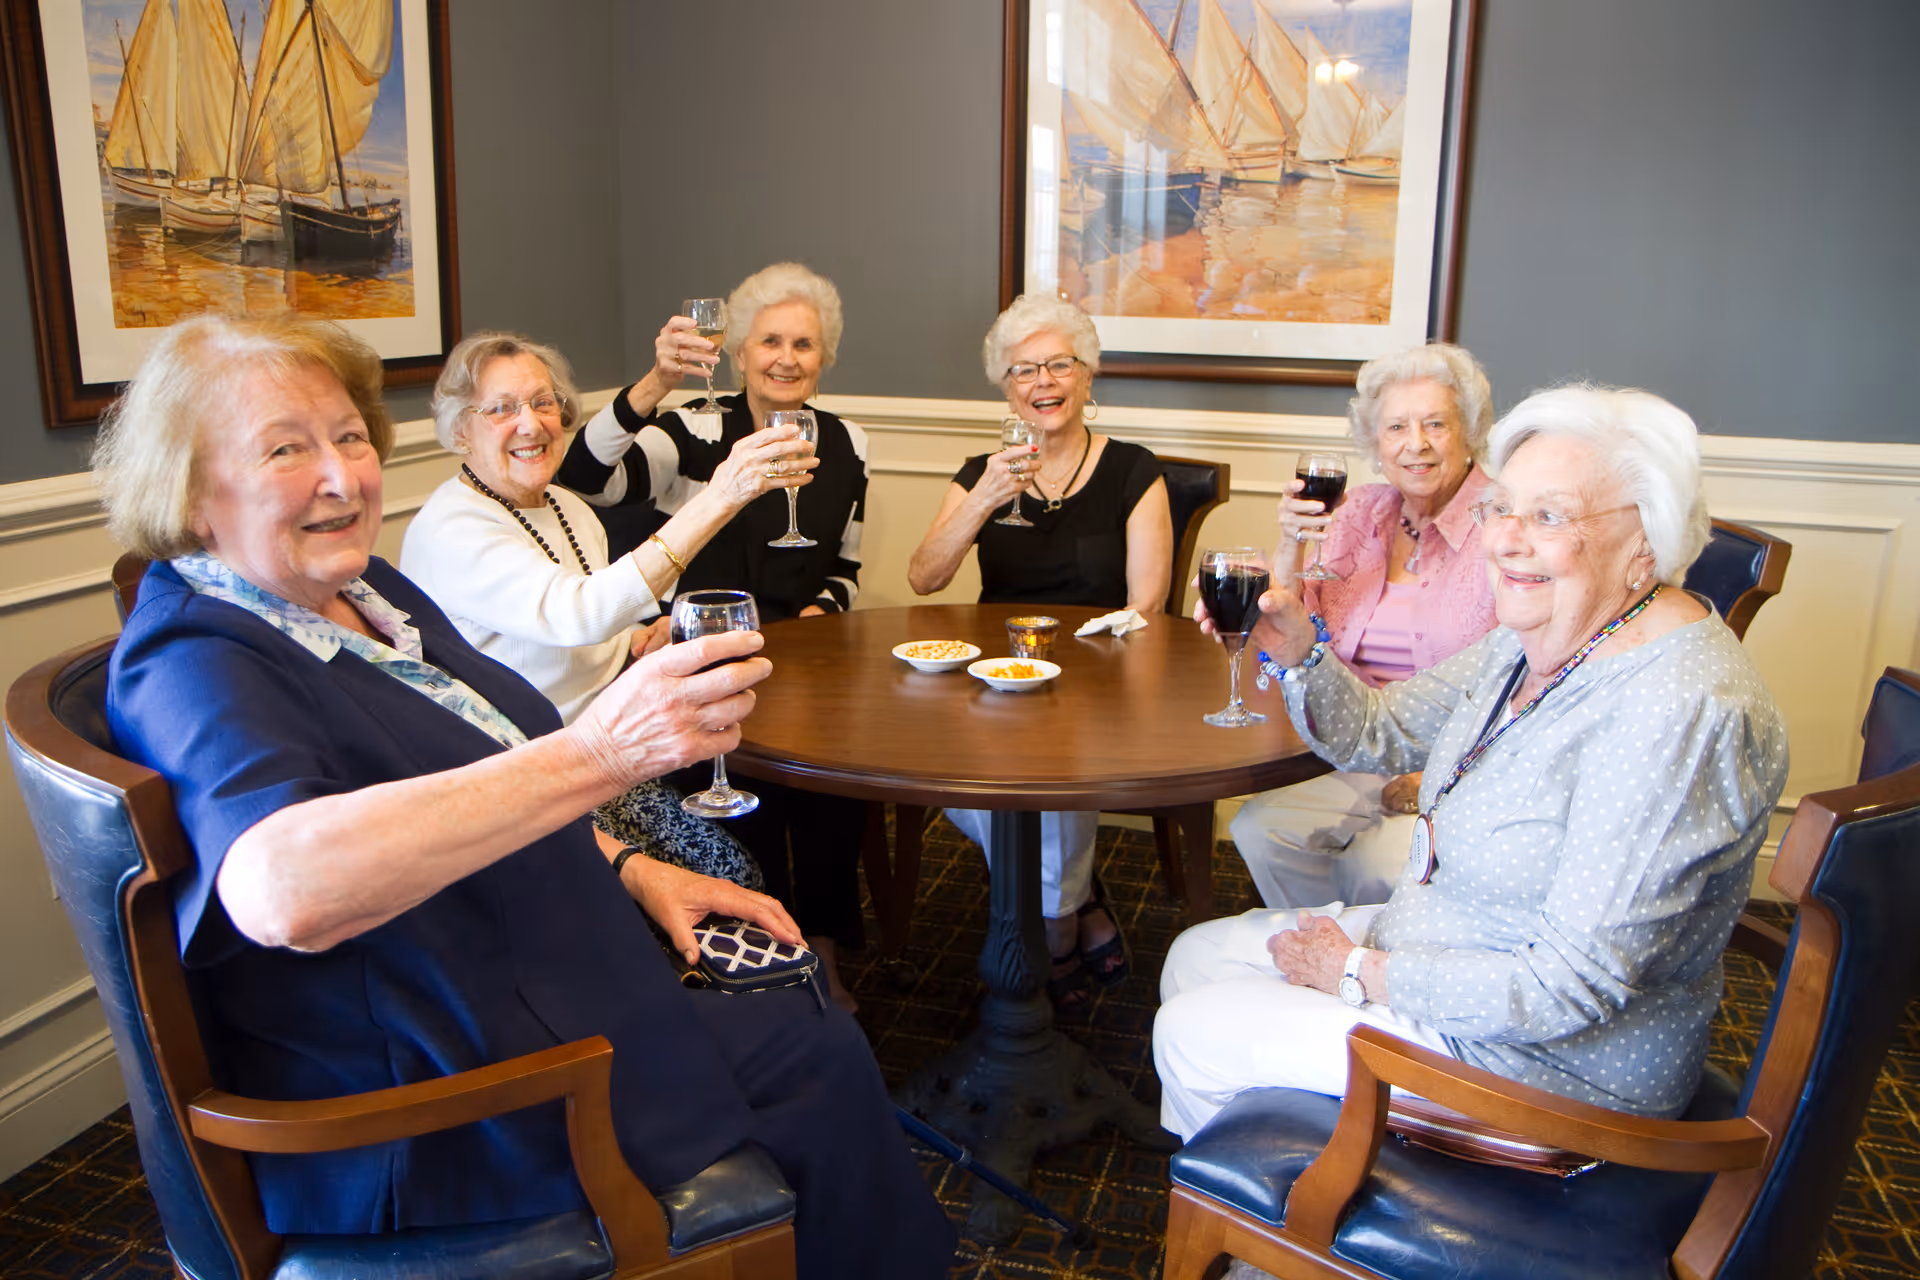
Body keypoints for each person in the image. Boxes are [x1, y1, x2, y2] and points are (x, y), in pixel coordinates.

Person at [95, 314, 954, 1278]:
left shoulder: (368, 592)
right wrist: (599, 754)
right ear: (192, 492)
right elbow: (283, 889)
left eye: (347, 435)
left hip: (529, 970)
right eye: (285, 450)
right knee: (813, 1050)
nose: (340, 476)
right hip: (450, 1084)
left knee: (805, 1014)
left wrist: (634, 871)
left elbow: (489, 749)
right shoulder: (194, 656)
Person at [1154, 384, 1788, 1148]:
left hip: (1549, 1071)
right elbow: (1381, 732)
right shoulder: (1541, 635)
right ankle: (1283, 1189)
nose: (1505, 539)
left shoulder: (1680, 711)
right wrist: (1297, 651)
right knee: (1194, 957)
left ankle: (1292, 1234)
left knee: (1191, 1031)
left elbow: (1571, 986)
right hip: (1455, 954)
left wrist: (1359, 973)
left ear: (1644, 543)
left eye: (1549, 516)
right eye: (1503, 507)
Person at [555, 263, 868, 1009]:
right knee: (745, 797)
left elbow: (846, 566)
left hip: (804, 662)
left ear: (824, 358)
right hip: (704, 664)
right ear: (739, 354)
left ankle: (820, 945)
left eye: (804, 344)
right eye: (769, 342)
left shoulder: (847, 440)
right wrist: (650, 387)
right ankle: (758, 941)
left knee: (835, 787)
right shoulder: (692, 429)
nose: (787, 358)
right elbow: (586, 479)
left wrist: (817, 626)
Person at [401, 331, 814, 888]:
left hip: (616, 759)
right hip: (528, 783)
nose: (530, 424)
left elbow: (585, 631)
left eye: (543, 402)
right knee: (716, 878)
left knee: (740, 854)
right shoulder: (452, 529)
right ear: (459, 430)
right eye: (501, 408)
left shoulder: (565, 505)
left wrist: (640, 638)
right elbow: (578, 614)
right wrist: (723, 496)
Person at [908, 294, 1174, 1008]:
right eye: (1024, 370)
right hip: (993, 682)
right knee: (958, 778)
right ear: (1006, 389)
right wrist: (982, 497)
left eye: (1060, 364)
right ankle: (1076, 903)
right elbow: (924, 577)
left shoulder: (1132, 471)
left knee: (1054, 767)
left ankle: (1050, 924)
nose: (1043, 383)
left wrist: (1091, 660)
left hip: (1099, 679)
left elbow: (1147, 604)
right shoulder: (982, 470)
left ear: (1088, 377)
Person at [1229, 343, 1499, 909]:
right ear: (1376, 445)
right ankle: (1327, 954)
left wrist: (1438, 773)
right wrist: (1289, 543)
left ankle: (1380, 966)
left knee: (1375, 864)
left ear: (1469, 431)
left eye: (1435, 424)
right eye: (1396, 426)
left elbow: (1532, 677)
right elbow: (1284, 620)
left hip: (1458, 766)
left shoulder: (1504, 526)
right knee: (1262, 831)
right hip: (1352, 749)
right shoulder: (1358, 514)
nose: (1415, 443)